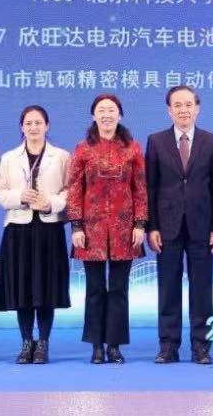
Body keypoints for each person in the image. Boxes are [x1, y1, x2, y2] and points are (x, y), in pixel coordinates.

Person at [146, 85, 213, 365]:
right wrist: (152, 226)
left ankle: (201, 346)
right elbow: (150, 188)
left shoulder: (211, 141)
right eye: (177, 105)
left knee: (202, 289)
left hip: (202, 226)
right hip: (166, 227)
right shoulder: (156, 141)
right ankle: (168, 345)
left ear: (197, 109)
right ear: (169, 110)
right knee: (168, 288)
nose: (183, 110)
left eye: (188, 105)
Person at [68, 94, 148, 365]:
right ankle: (96, 346)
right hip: (91, 230)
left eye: (111, 110)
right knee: (94, 289)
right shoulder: (83, 149)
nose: (106, 115)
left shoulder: (132, 148)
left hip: (125, 229)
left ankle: (114, 345)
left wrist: (140, 224)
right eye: (101, 110)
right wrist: (76, 225)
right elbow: (74, 189)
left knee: (118, 289)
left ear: (120, 115)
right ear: (94, 116)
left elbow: (140, 189)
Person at [0, 105, 72, 365]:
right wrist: (20, 197)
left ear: (47, 126)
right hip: (18, 229)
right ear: (21, 127)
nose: (33, 127)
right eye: (28, 123)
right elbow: (0, 193)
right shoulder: (9, 158)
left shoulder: (61, 156)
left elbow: (70, 190)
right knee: (23, 288)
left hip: (49, 229)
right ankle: (27, 342)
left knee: (46, 288)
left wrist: (51, 203)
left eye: (38, 123)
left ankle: (44, 342)